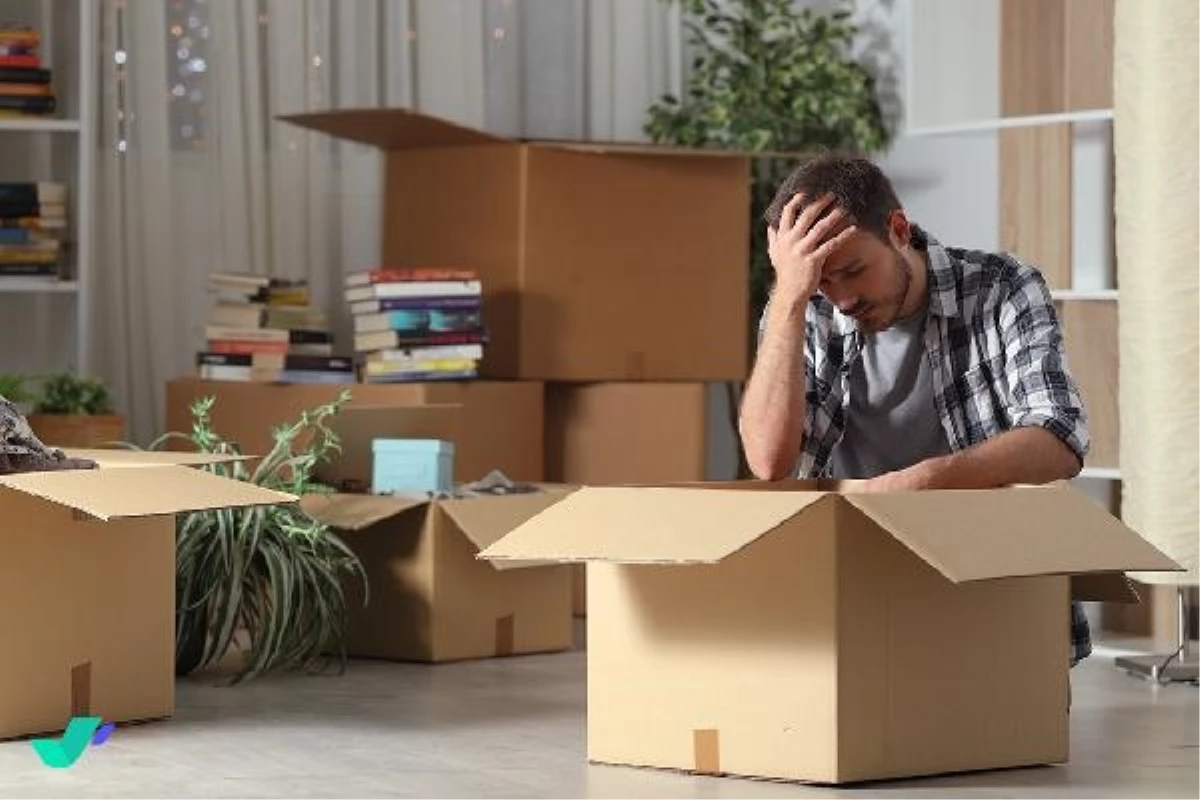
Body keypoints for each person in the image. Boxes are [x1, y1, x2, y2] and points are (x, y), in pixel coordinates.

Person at [737, 153, 1092, 667]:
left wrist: (930, 480)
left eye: (853, 270)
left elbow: (1060, 437)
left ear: (899, 230)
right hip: (850, 587)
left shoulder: (1003, 288)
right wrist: (790, 298)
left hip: (985, 585)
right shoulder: (803, 309)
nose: (842, 299)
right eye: (822, 283)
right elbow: (768, 461)